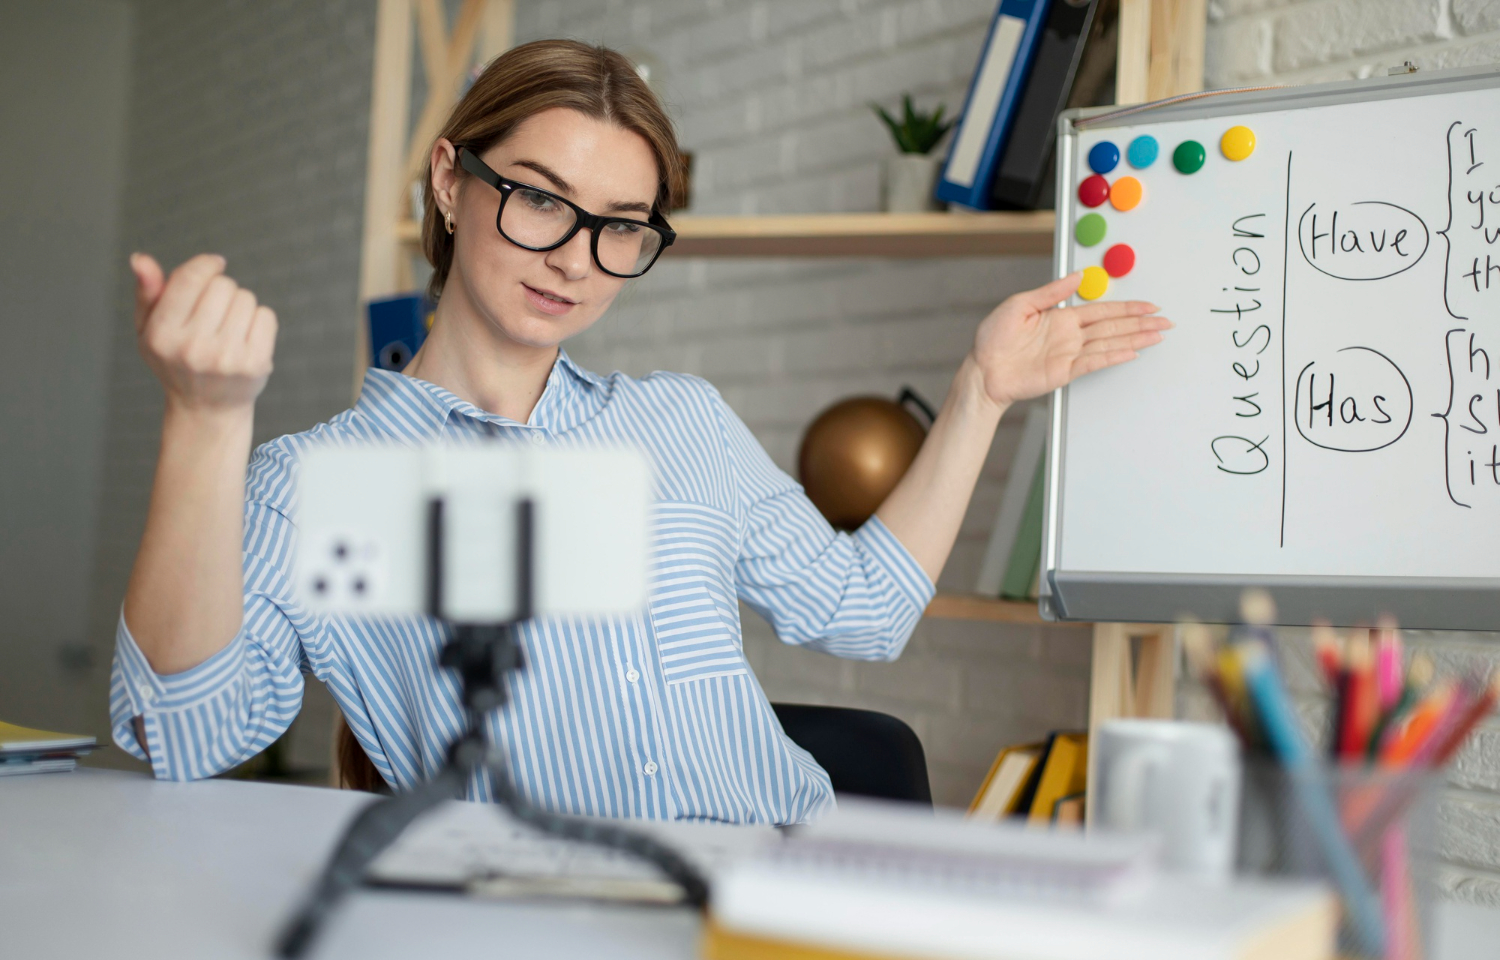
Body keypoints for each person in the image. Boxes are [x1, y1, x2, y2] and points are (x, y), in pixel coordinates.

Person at [114, 39, 1169, 823]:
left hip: (781, 891)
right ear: (449, 179)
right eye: (539, 198)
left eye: (622, 226)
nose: (576, 257)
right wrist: (205, 422)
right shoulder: (323, 483)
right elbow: (185, 737)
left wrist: (983, 387)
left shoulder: (677, 423)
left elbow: (865, 612)